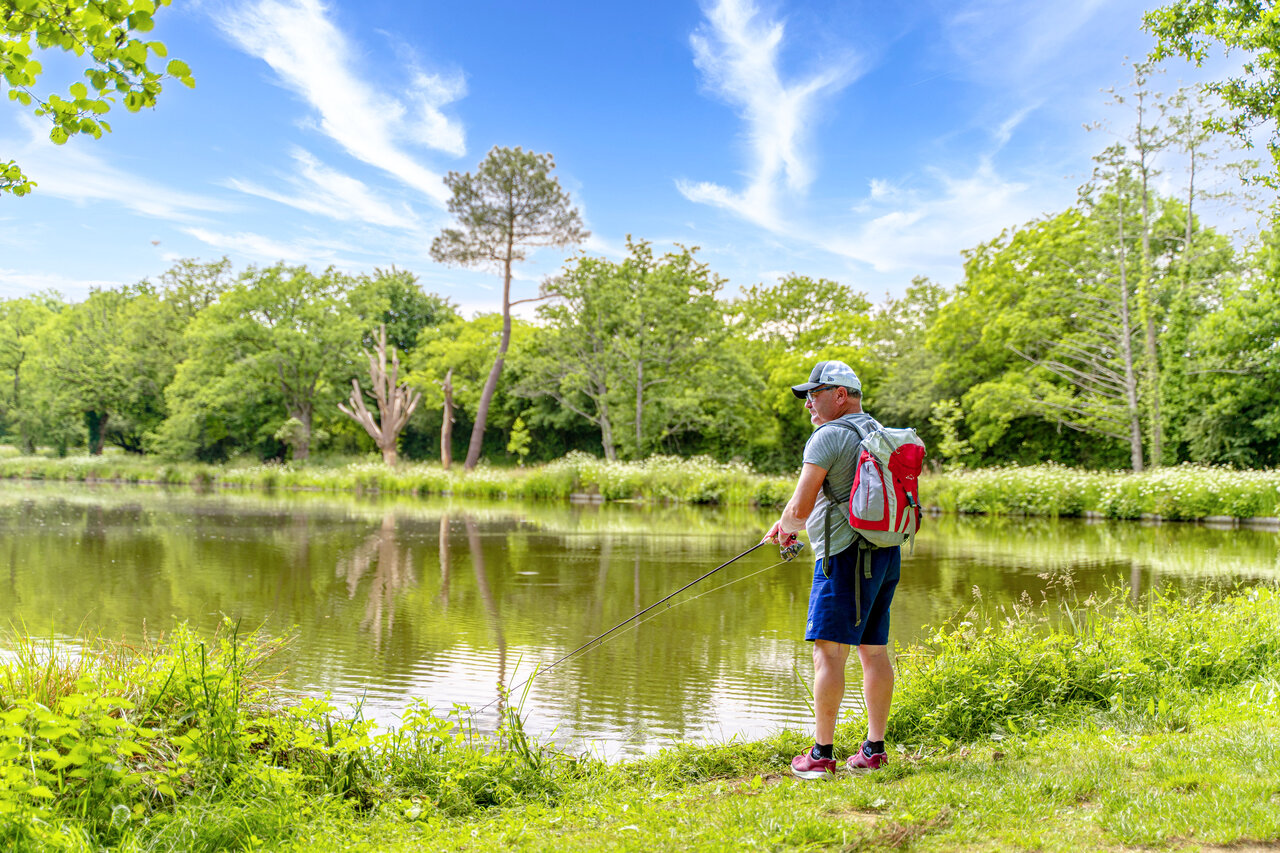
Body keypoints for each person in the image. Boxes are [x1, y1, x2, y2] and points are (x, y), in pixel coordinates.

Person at [762, 359, 901, 779]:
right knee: (874, 652)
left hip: (843, 559)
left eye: (814, 393)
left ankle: (821, 756)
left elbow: (800, 509)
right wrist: (788, 523)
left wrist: (785, 529)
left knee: (828, 653)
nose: (808, 403)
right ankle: (873, 751)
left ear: (840, 395)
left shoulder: (827, 436)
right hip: (885, 553)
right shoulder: (878, 432)